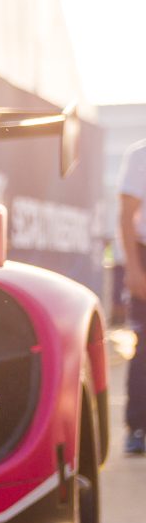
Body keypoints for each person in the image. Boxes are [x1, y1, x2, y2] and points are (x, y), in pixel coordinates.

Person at [122, 139, 146, 455]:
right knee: (144, 345)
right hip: (144, 255)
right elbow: (126, 215)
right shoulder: (140, 155)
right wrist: (134, 269)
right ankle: (137, 427)